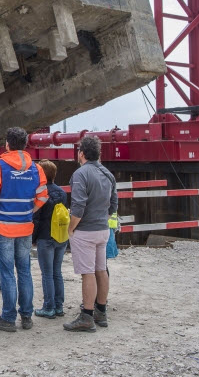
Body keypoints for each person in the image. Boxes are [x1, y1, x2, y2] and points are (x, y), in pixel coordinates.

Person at [0, 127, 48, 332]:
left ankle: (8, 318)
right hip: (25, 226)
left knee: (7, 273)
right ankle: (26, 316)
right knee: (25, 271)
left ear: (7, 144)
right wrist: (29, 211)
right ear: (25, 144)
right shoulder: (36, 168)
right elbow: (43, 196)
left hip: (2, 226)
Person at [63, 136, 118, 332]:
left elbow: (78, 206)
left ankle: (86, 315)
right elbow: (113, 205)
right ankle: (100, 310)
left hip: (85, 230)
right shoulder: (107, 174)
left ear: (81, 153)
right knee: (101, 270)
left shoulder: (80, 174)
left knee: (87, 273)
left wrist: (71, 228)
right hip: (103, 229)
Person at [32, 160, 68, 319]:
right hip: (60, 236)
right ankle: (59, 306)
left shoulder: (41, 193)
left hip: (45, 237)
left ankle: (48, 307)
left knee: (47, 273)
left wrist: (33, 238)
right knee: (56, 272)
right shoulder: (62, 192)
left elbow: (37, 218)